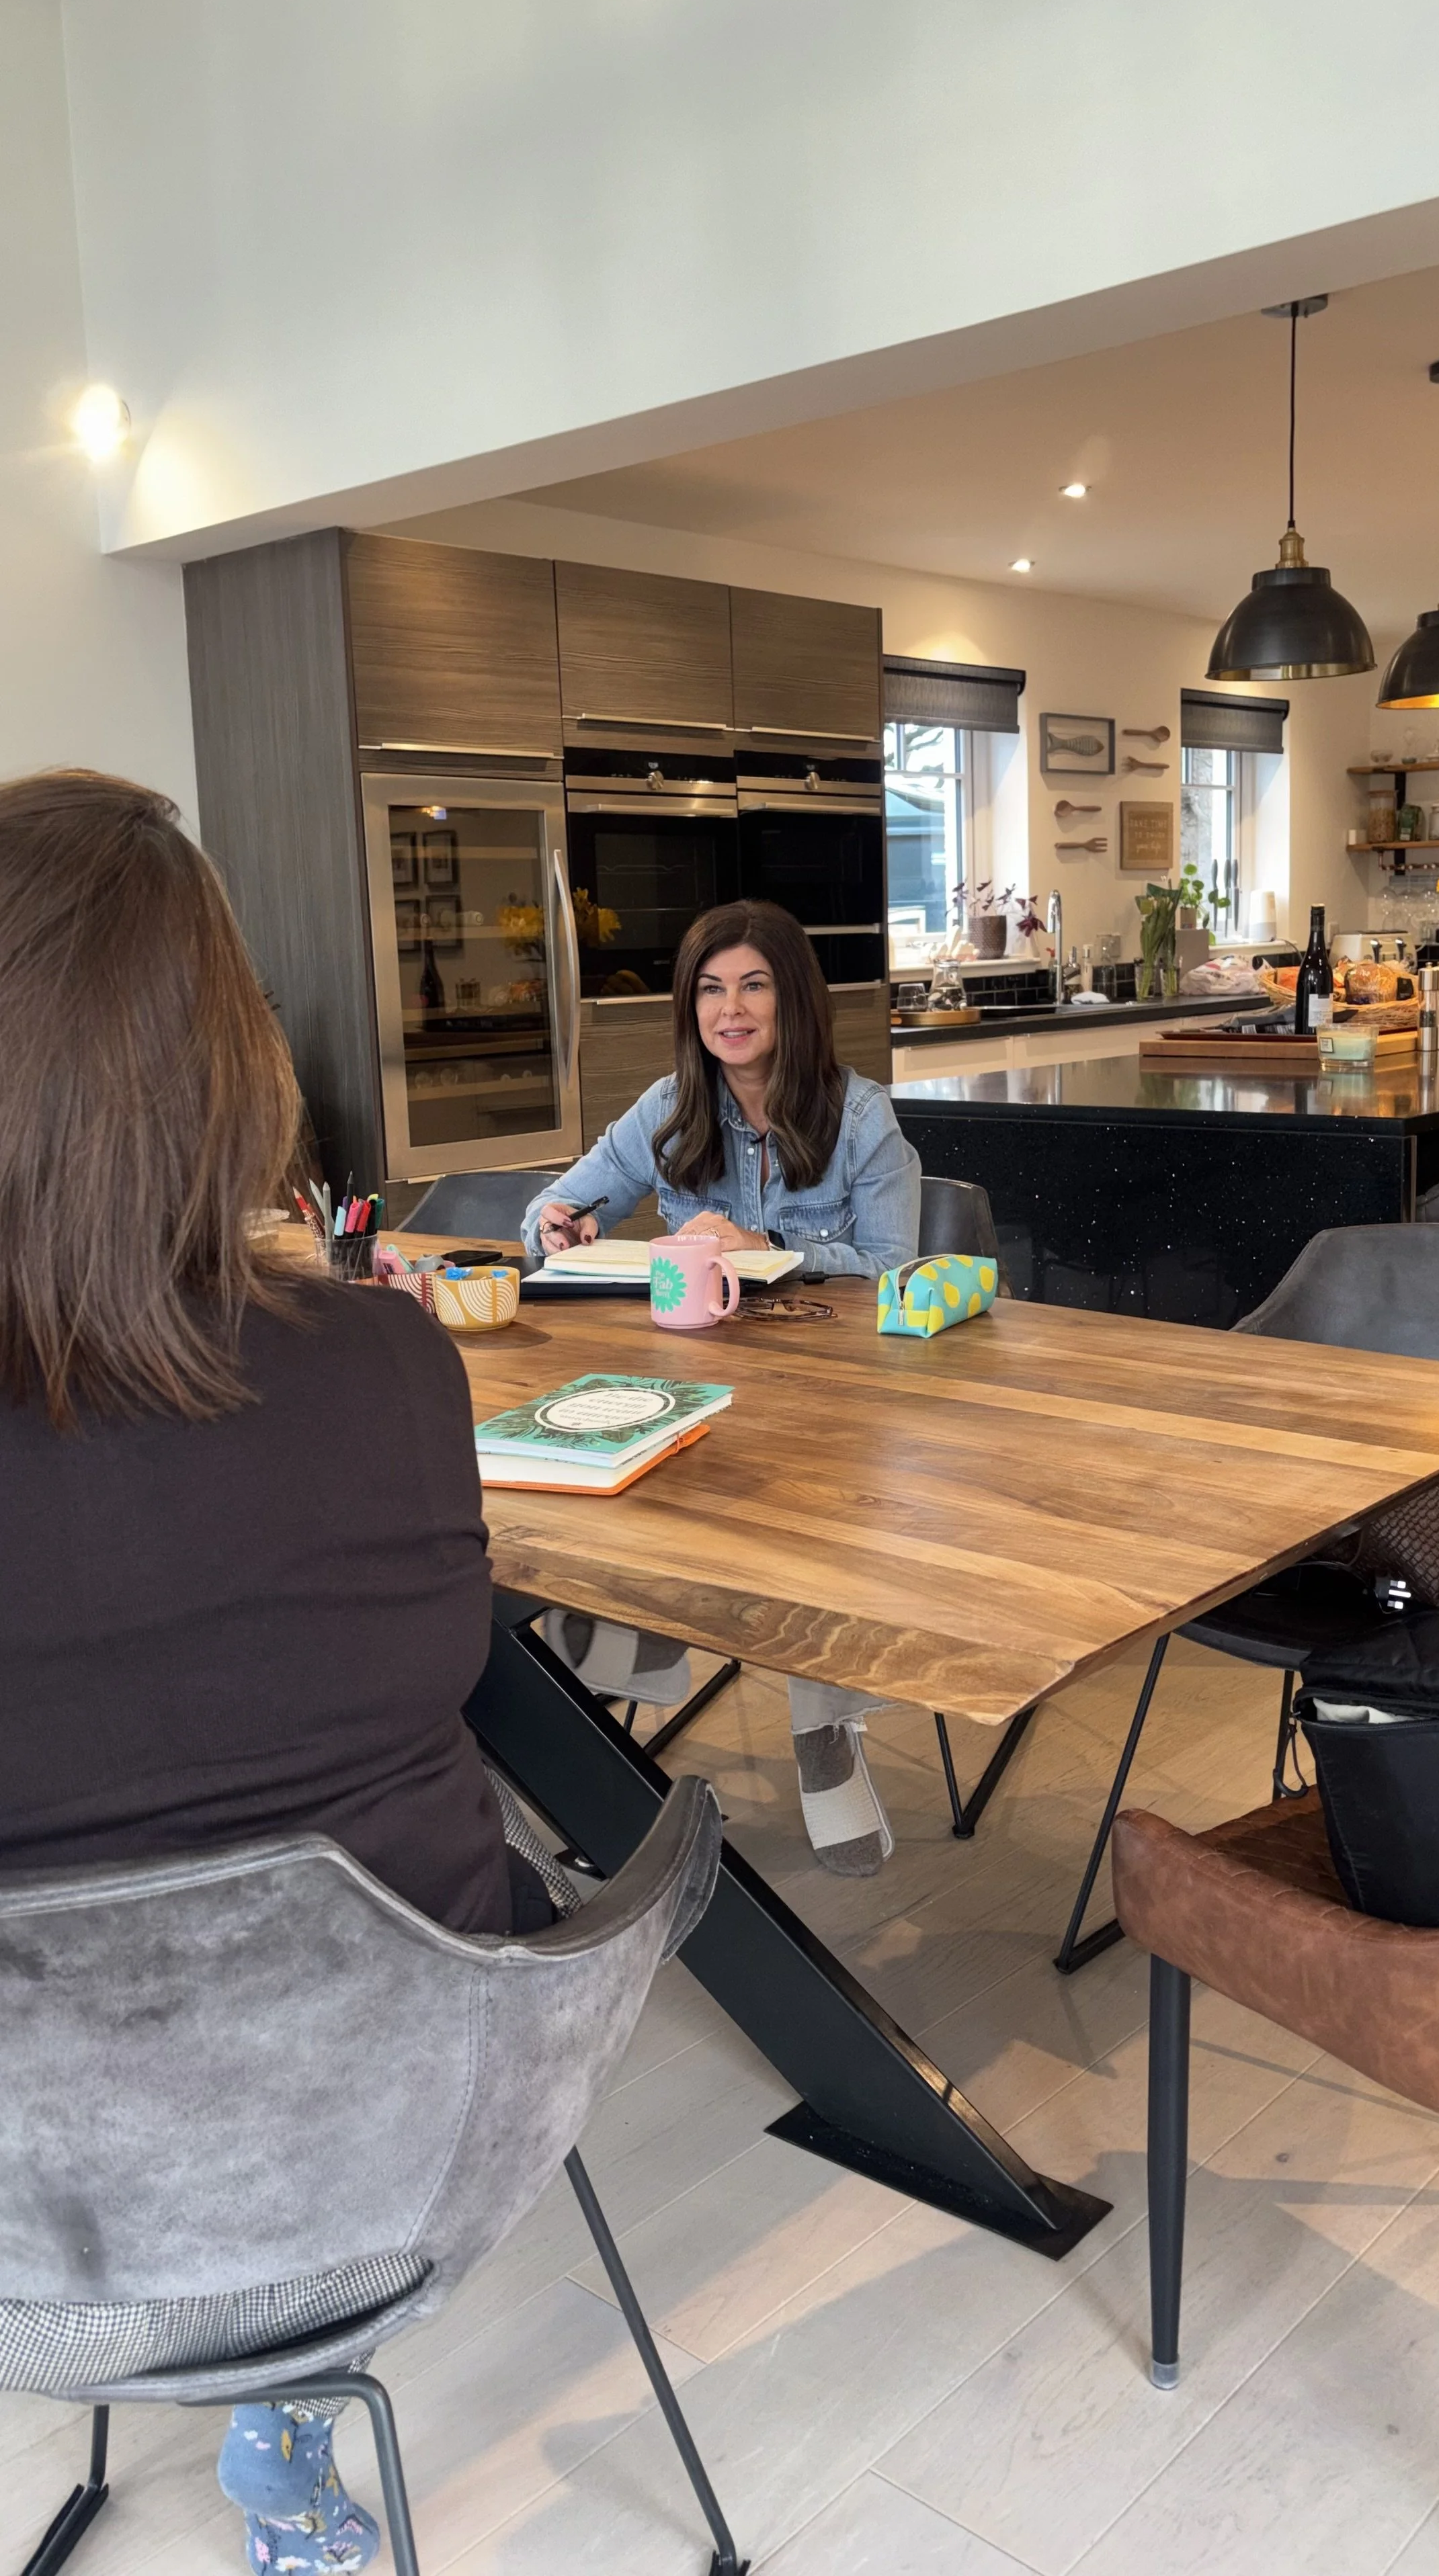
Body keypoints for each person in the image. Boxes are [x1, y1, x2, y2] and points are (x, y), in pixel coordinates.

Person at [0, 770, 561, 2576]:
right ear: (227, 1058)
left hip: (41, 2236)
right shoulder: (392, 1366)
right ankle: (289, 2449)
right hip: (400, 2181)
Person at [522, 898, 921, 1877]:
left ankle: (822, 1732)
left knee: (811, 1511)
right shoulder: (667, 1106)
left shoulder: (860, 1114)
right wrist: (562, 1222)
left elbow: (895, 1264)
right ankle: (618, 1690)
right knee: (603, 1453)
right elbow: (553, 1205)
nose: (730, 1009)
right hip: (690, 1381)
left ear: (793, 1001)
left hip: (833, 1392)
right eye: (709, 988)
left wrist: (769, 1246)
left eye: (753, 985)